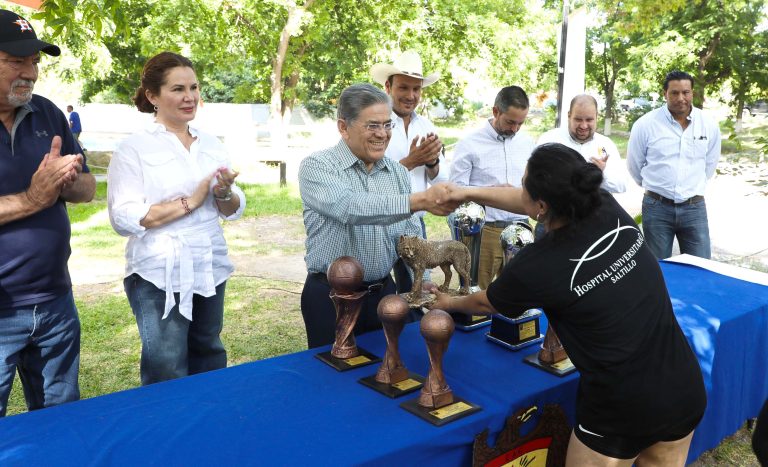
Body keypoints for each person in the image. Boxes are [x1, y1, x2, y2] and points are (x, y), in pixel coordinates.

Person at [433, 143, 706, 466]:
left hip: (619, 404)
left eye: (523, 184)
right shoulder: (604, 204)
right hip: (681, 384)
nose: (519, 191)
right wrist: (466, 193)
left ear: (543, 205)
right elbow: (530, 203)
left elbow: (487, 302)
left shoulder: (537, 264)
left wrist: (448, 301)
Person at [107, 51, 245, 385]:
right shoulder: (134, 148)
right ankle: (167, 434)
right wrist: (192, 201)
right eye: (178, 89)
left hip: (209, 263)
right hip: (158, 272)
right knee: (166, 365)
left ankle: (207, 429)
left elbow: (233, 208)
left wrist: (223, 193)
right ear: (153, 96)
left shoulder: (211, 144)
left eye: (194, 87)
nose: (190, 97)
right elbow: (123, 217)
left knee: (209, 351)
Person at [298, 83, 454, 349]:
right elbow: (348, 207)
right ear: (343, 127)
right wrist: (418, 201)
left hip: (384, 295)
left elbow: (409, 235)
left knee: (388, 371)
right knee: (334, 379)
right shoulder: (317, 166)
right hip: (330, 298)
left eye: (387, 125)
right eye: (372, 125)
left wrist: (423, 283)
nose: (382, 134)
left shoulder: (396, 173)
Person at [0, 10, 95, 416]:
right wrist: (32, 198)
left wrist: (66, 180)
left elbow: (88, 190)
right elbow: (36, 198)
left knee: (61, 420)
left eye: (35, 61)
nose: (31, 73)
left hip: (56, 303)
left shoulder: (49, 113)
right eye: (16, 61)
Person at [370, 50, 447, 293]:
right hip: (377, 221)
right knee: (376, 287)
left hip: (414, 221)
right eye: (403, 88)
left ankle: (412, 329)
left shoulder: (425, 125)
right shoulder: (373, 123)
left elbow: (441, 181)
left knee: (418, 289)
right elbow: (367, 179)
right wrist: (412, 161)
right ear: (388, 87)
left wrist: (433, 162)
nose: (410, 95)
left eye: (417, 89)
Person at [627, 70, 721, 259]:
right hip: (657, 207)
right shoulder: (645, 124)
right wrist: (657, 189)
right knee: (659, 267)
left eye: (686, 92)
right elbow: (634, 165)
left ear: (692, 93)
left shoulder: (708, 125)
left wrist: (692, 187)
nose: (681, 98)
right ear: (665, 94)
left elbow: (710, 163)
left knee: (700, 267)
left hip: (694, 208)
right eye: (675, 93)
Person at [449, 85, 534, 289]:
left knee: (518, 294)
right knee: (476, 292)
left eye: (520, 123)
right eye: (510, 122)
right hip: (485, 232)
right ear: (496, 111)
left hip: (521, 227)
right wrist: (494, 193)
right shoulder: (469, 144)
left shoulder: (528, 143)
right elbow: (455, 191)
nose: (514, 129)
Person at [537, 94, 627, 194]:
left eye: (589, 120)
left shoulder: (606, 145)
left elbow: (621, 186)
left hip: (594, 209)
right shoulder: (549, 140)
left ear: (596, 116)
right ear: (569, 115)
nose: (583, 126)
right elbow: (532, 179)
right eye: (578, 119)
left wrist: (601, 174)